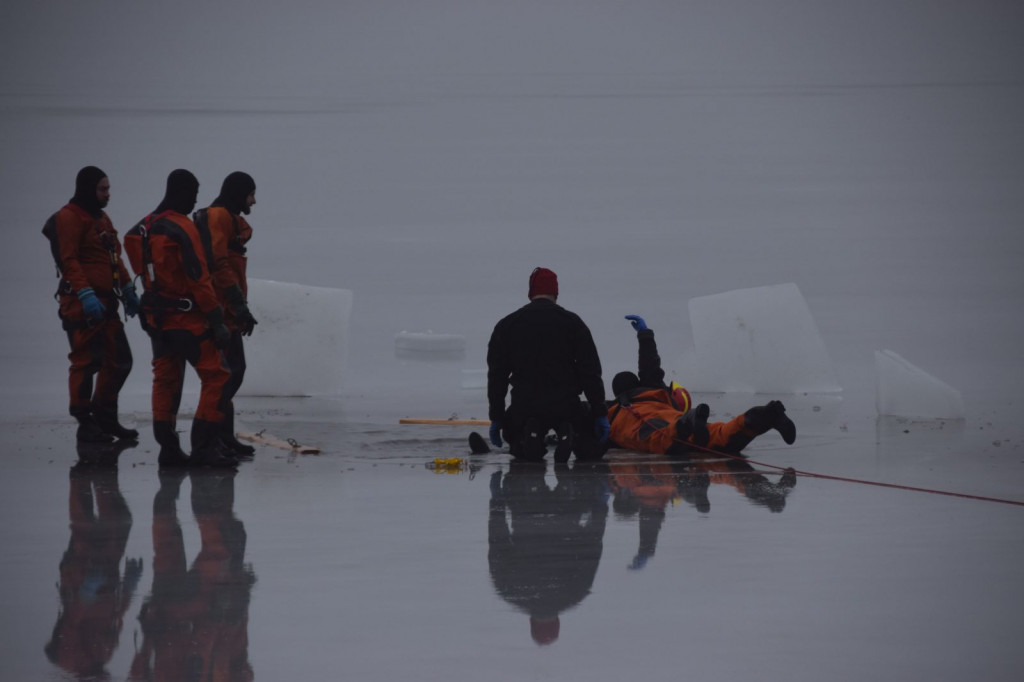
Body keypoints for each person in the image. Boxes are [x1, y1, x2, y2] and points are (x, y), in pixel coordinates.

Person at [123, 170, 236, 469]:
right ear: (182, 192)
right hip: (187, 319)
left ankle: (169, 449)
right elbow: (199, 278)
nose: (197, 198)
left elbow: (129, 242)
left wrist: (153, 285)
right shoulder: (183, 227)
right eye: (194, 192)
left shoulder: (143, 227)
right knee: (218, 376)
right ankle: (204, 447)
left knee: (166, 379)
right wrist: (217, 319)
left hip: (156, 319)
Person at [44, 166, 142, 443]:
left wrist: (127, 288)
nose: (108, 194)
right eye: (103, 189)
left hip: (107, 302)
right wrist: (85, 293)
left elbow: (114, 257)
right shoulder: (69, 218)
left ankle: (105, 417)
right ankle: (84, 420)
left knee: (120, 361)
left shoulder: (102, 219)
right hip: (81, 304)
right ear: (89, 189)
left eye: (108, 189)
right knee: (86, 361)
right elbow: (69, 260)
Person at [607, 314, 796, 455]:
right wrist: (644, 334)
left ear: (618, 392)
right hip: (672, 416)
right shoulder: (655, 390)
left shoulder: (612, 410)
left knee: (662, 438)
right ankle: (767, 414)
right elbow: (650, 364)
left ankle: (687, 423)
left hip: (655, 427)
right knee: (718, 434)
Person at [486, 268, 609, 462]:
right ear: (556, 293)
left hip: (525, 404)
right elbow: (590, 371)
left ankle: (529, 436)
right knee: (592, 446)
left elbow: (497, 375)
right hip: (566, 403)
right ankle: (568, 432)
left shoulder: (507, 324)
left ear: (531, 292)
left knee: (516, 441)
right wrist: (599, 412)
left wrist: (497, 417)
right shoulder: (573, 322)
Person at [193, 172, 259, 457]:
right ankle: (208, 438)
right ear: (238, 194)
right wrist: (238, 307)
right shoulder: (217, 217)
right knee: (225, 376)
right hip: (217, 313)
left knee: (233, 372)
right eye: (250, 195)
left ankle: (223, 435)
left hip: (228, 312)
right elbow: (218, 265)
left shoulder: (228, 219)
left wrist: (239, 310)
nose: (254, 201)